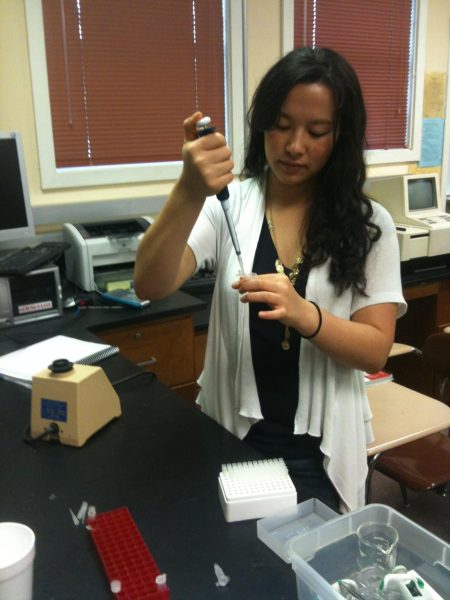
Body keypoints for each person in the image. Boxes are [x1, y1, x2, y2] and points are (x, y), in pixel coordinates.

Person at [134, 47, 407, 512]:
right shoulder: (230, 204)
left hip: (316, 454)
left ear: (340, 138)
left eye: (316, 131)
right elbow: (150, 285)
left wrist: (307, 316)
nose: (294, 145)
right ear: (261, 123)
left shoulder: (369, 226)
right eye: (281, 124)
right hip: (230, 438)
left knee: (303, 576)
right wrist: (188, 190)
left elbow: (375, 348)